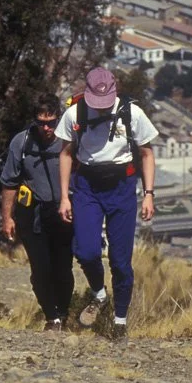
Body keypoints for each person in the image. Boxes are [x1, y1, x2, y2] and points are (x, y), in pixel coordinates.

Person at [57, 67, 158, 340]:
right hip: (87, 186)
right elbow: (66, 154)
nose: (100, 109)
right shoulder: (74, 113)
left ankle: (120, 320)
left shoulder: (132, 113)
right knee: (86, 250)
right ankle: (99, 294)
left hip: (122, 187)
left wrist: (148, 193)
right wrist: (65, 196)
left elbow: (147, 153)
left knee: (120, 260)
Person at [0, 94, 73, 331]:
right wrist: (7, 218)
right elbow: (9, 182)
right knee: (40, 269)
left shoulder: (68, 140)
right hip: (33, 213)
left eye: (51, 122)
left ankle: (63, 311)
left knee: (62, 268)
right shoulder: (21, 143)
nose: (47, 128)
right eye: (41, 122)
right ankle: (52, 317)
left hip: (63, 212)